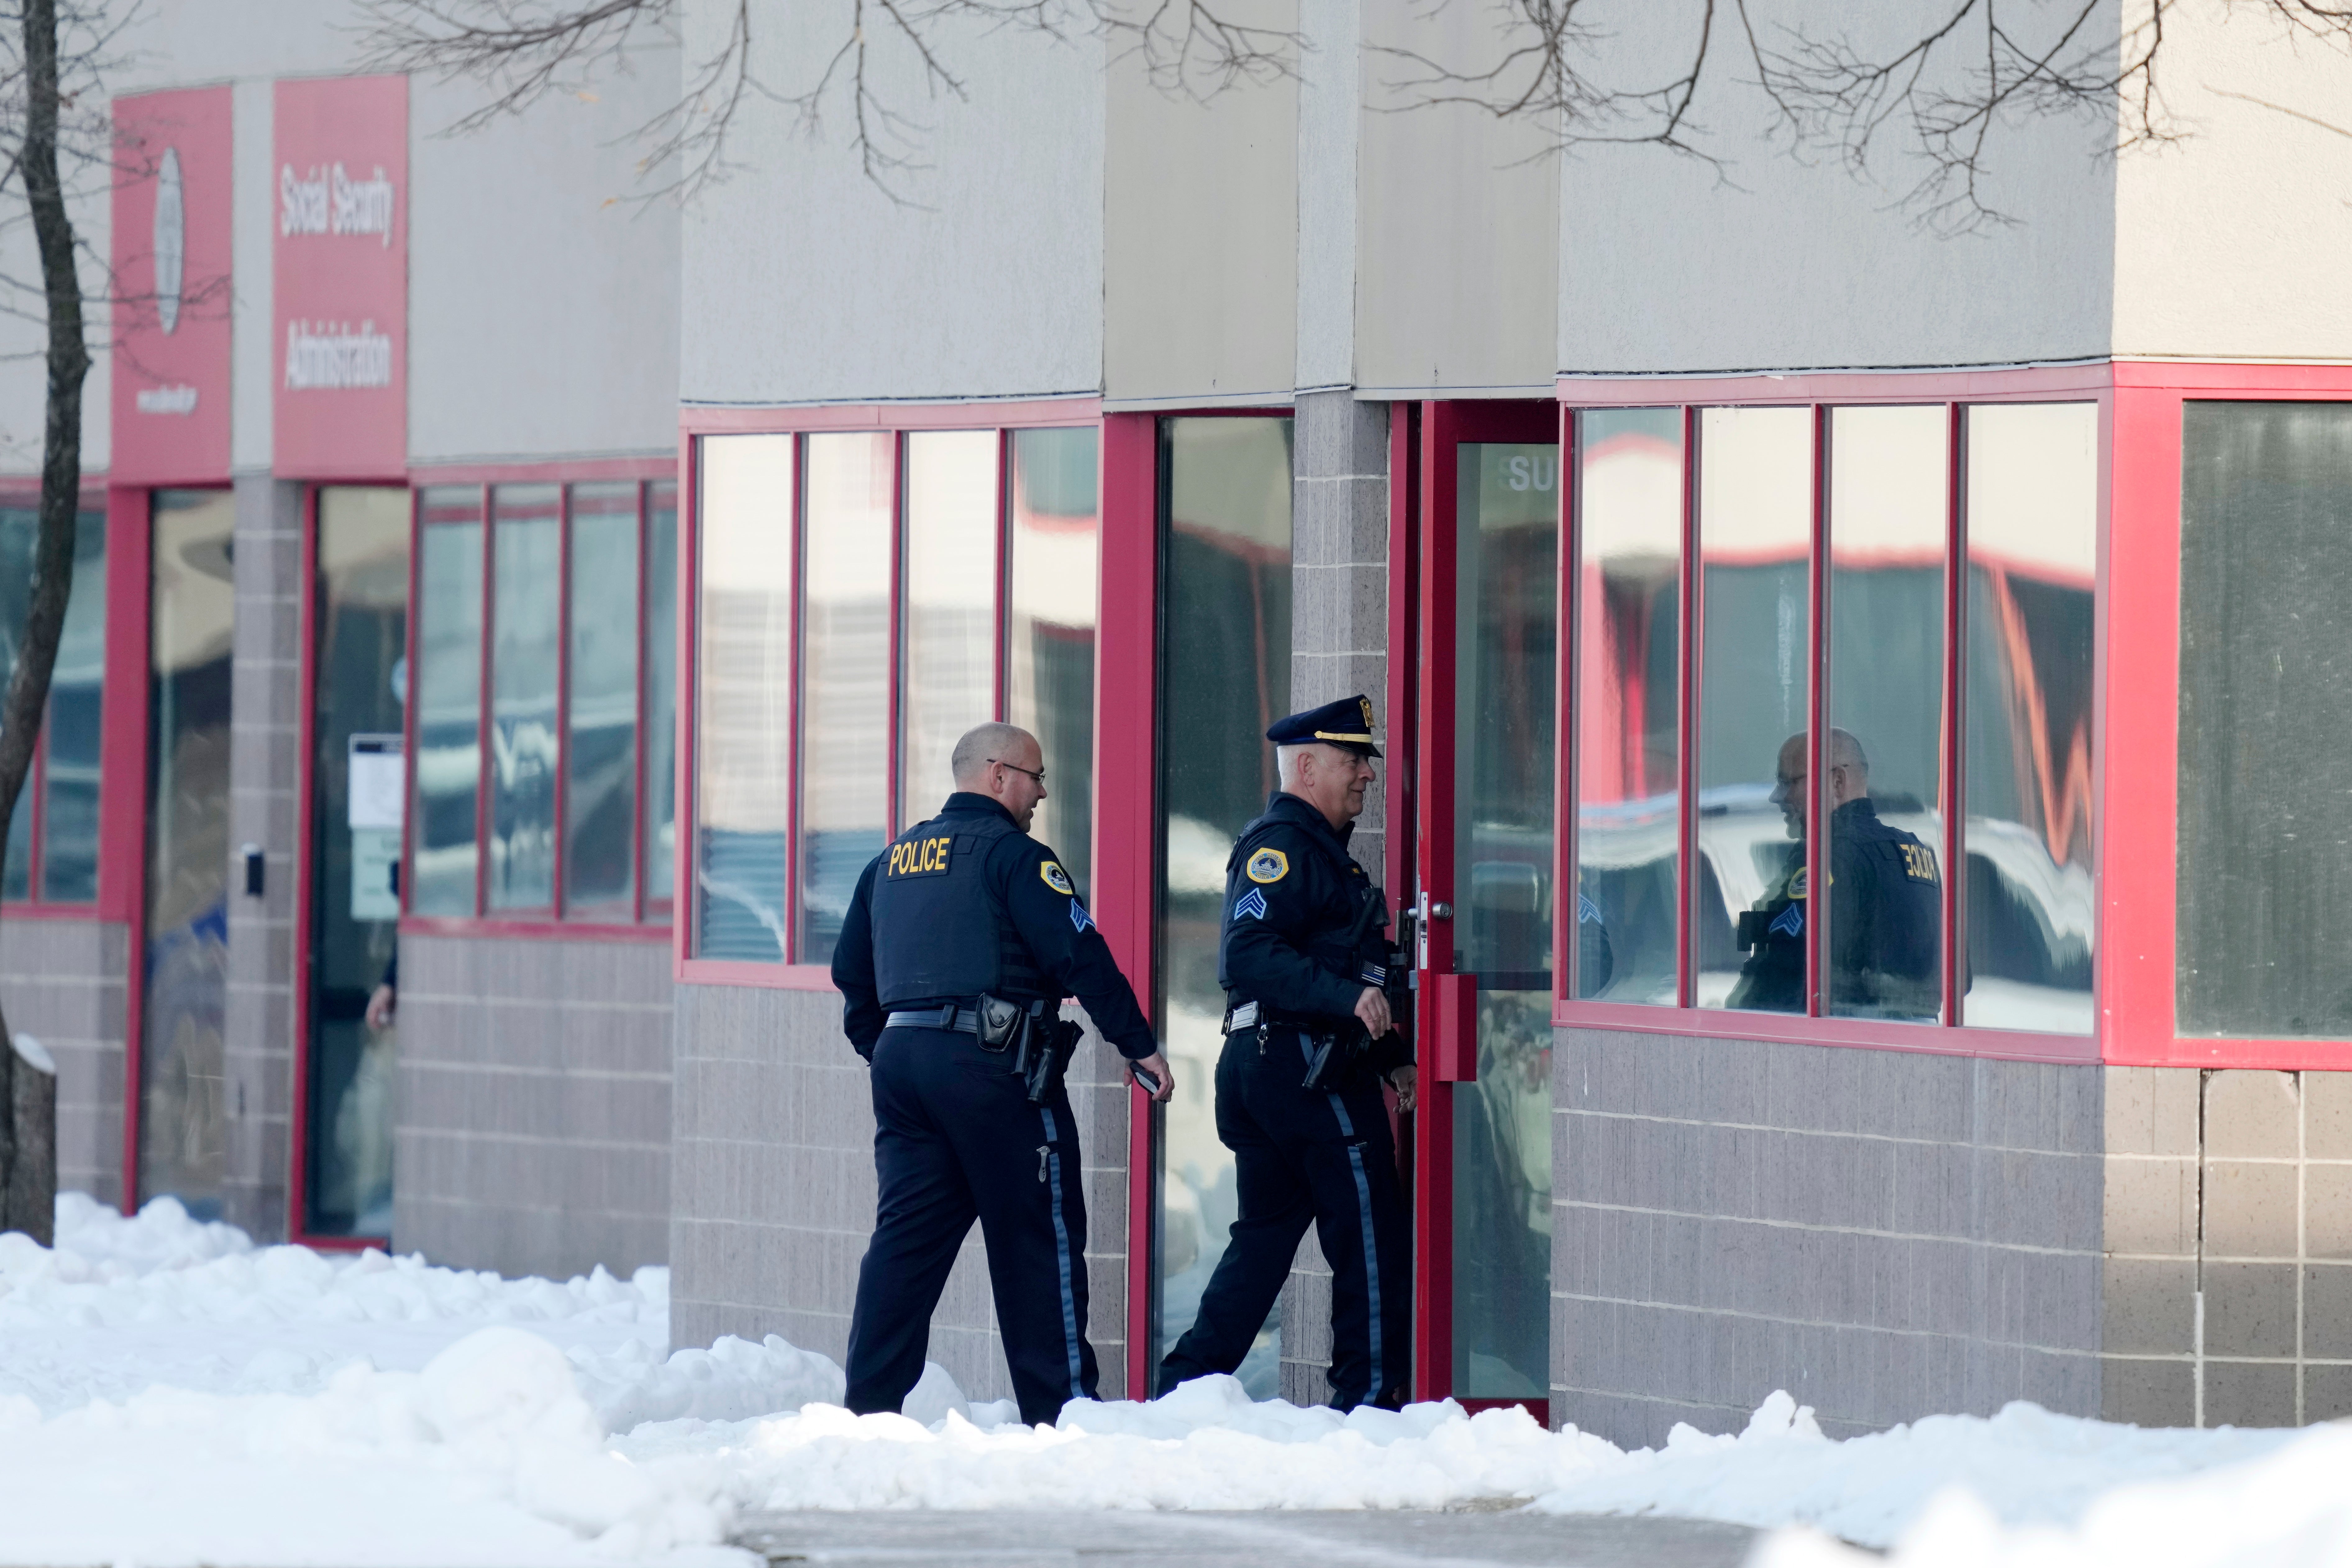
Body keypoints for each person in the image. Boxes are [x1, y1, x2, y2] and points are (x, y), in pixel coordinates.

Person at [831, 720, 1173, 1428]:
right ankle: (1064, 1417)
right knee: (1036, 1241)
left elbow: (850, 978)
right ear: (996, 775)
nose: (1042, 792)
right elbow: (1080, 953)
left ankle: (867, 1412)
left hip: (905, 1070)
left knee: (904, 1245)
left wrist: (896, 1053)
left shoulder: (889, 863)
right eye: (1035, 777)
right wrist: (1136, 1044)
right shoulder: (1015, 858)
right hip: (996, 1070)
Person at [1158, 694, 1414, 1412]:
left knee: (1263, 1242)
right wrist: (1342, 1004)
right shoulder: (1284, 848)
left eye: (1366, 759)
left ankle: (1181, 1393)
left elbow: (1348, 967)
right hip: (1301, 1066)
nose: (1366, 773)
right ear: (1306, 766)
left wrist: (1390, 1052)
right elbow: (1250, 954)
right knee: (1367, 1231)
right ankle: (1365, 1403)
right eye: (1351, 759)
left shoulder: (1325, 857)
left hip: (1279, 1063)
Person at [1727, 727, 1941, 1017]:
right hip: (1918, 1044)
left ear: (1837, 781)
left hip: (1843, 1041)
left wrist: (1735, 1020)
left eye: (1789, 782)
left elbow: (1784, 973)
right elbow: (1954, 981)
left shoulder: (1829, 855)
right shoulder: (1917, 853)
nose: (1778, 797)